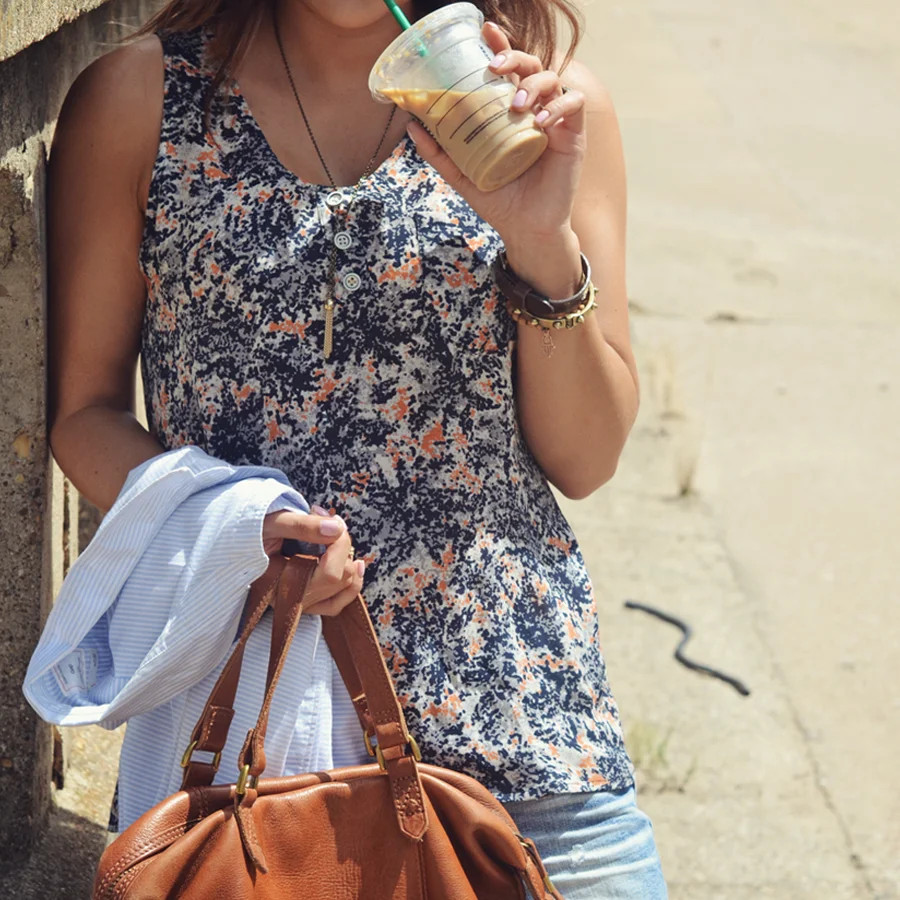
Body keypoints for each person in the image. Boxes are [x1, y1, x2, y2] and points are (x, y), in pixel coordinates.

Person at [45, 0, 667, 895]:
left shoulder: (544, 109)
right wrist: (232, 531)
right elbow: (84, 413)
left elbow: (587, 456)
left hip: (526, 742)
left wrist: (540, 240)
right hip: (256, 768)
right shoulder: (141, 97)